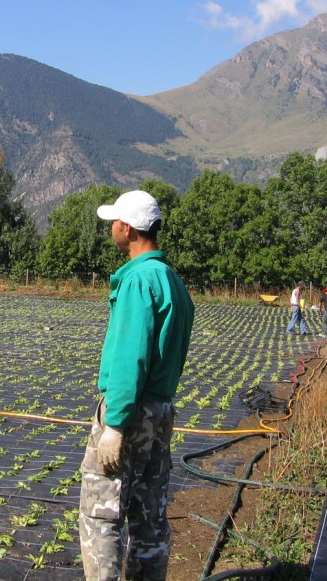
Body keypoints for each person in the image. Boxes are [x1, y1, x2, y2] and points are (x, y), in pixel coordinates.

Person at [80, 190, 195, 581]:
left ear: (126, 229)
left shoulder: (137, 280)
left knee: (102, 515)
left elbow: (131, 357)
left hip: (130, 414)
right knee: (149, 517)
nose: (111, 228)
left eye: (114, 222)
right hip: (161, 413)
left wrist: (114, 423)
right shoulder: (172, 281)